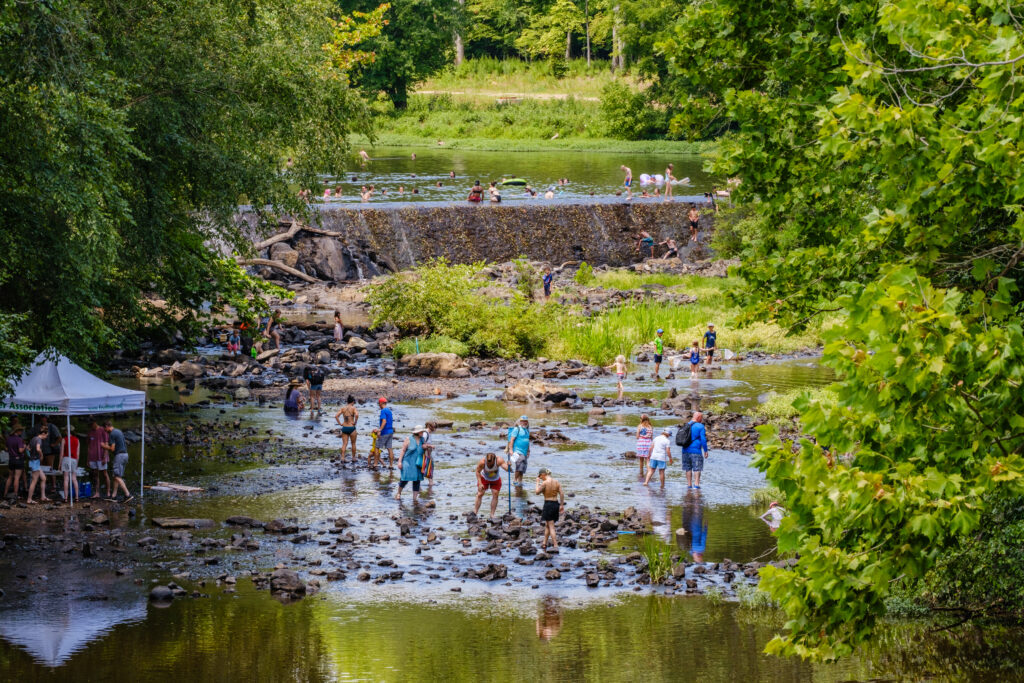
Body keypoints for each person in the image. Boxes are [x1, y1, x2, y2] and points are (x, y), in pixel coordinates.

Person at [103, 421, 133, 503]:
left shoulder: (112, 434)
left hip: (119, 456)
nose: (105, 431)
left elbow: (112, 448)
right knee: (116, 476)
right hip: (125, 455)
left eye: (105, 428)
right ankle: (114, 496)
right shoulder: (118, 431)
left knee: (117, 476)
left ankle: (128, 495)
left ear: (107, 426)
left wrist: (104, 446)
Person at [395, 426, 427, 503]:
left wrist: (426, 448)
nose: (423, 433)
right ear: (417, 432)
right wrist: (399, 462)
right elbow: (403, 450)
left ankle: (414, 499)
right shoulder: (408, 439)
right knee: (404, 478)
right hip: (407, 462)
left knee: (417, 480)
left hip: (418, 463)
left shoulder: (423, 440)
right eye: (421, 432)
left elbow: (425, 451)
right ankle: (398, 493)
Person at [535, 467, 564, 551]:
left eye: (540, 476)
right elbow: (561, 493)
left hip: (548, 504)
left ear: (544, 474)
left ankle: (555, 544)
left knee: (551, 526)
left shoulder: (544, 483)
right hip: (555, 504)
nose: (540, 478)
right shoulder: (556, 482)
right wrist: (561, 505)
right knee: (548, 524)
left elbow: (537, 492)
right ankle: (544, 543)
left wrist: (537, 483)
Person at [474, 452, 509, 518]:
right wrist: (480, 483)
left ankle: (492, 514)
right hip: (484, 478)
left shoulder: (499, 460)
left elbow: (507, 469)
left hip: (495, 479)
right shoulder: (482, 462)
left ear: (494, 460)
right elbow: (477, 471)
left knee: (495, 494)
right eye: (488, 463)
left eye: (491, 463)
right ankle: (475, 512)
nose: (489, 465)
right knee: (480, 494)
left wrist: (509, 466)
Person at [680, 411, 709, 489]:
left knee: (688, 468)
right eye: (701, 418)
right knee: (697, 468)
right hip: (696, 451)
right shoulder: (700, 426)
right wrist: (705, 450)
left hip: (685, 450)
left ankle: (689, 485)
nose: (702, 419)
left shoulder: (686, 425)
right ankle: (696, 485)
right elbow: (703, 439)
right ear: (699, 417)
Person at [26, 424, 50, 503]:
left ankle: (43, 496)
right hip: (35, 461)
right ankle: (29, 499)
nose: (46, 437)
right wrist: (41, 455)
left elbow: (27, 448)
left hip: (33, 461)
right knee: (34, 481)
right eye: (46, 435)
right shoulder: (39, 440)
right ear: (43, 433)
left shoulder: (33, 438)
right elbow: (38, 449)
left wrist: (30, 456)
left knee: (43, 478)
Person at [87, 420, 110, 499]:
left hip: (101, 456)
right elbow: (89, 446)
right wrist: (88, 459)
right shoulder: (90, 432)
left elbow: (106, 444)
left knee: (104, 474)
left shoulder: (103, 430)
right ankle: (97, 493)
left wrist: (105, 456)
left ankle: (108, 492)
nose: (91, 426)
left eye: (91, 424)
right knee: (95, 475)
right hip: (93, 457)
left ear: (95, 422)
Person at [40, 415, 63, 494]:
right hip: (42, 451)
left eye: (43, 417)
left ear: (46, 418)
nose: (42, 418)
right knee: (42, 468)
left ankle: (54, 485)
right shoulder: (39, 427)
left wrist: (54, 444)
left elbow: (60, 437)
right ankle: (44, 485)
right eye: (41, 417)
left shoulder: (52, 426)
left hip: (50, 451)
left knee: (50, 468)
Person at [506, 415, 531, 487]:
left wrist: (528, 451)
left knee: (523, 468)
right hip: (518, 451)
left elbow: (527, 441)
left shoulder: (527, 430)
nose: (524, 422)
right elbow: (512, 440)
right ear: (520, 422)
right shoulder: (517, 429)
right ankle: (514, 480)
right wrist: (511, 450)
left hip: (525, 452)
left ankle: (520, 481)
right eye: (523, 421)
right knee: (519, 466)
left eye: (526, 421)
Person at [333, 395, 358, 463]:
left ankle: (342, 458)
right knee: (353, 443)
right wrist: (355, 422)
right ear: (352, 402)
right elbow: (356, 415)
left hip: (344, 427)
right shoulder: (353, 408)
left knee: (344, 444)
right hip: (352, 427)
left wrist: (340, 423)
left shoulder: (343, 408)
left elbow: (336, 416)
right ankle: (353, 458)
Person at [4, 424, 26, 500]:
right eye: (21, 430)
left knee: (10, 477)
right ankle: (15, 494)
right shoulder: (19, 439)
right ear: (17, 431)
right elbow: (20, 450)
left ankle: (5, 493)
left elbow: (6, 449)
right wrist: (24, 447)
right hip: (18, 460)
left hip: (11, 459)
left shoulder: (8, 439)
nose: (22, 432)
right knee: (16, 478)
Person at [373, 396, 395, 469]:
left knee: (377, 447)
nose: (379, 405)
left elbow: (384, 421)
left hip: (384, 432)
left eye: (379, 404)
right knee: (389, 448)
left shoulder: (383, 411)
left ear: (381, 403)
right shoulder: (389, 411)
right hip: (390, 431)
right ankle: (391, 465)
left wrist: (379, 430)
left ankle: (375, 464)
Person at [61, 427, 80, 503]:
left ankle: (66, 498)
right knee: (74, 478)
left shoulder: (64, 439)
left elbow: (62, 453)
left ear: (66, 431)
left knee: (66, 478)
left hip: (66, 459)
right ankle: (77, 497)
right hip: (74, 460)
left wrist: (60, 463)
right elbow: (78, 453)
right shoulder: (77, 440)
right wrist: (77, 463)